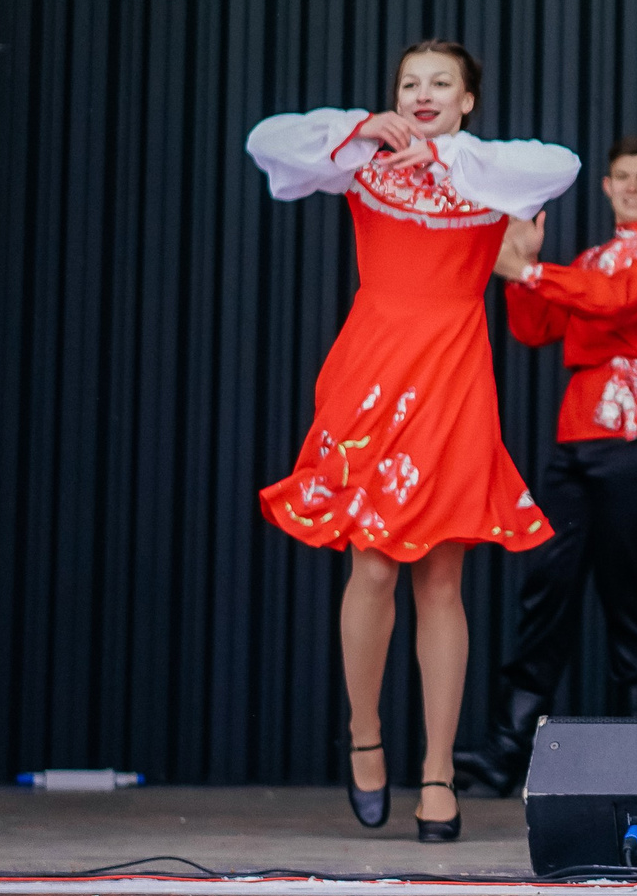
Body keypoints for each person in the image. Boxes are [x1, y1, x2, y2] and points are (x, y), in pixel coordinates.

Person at [246, 41, 580, 842]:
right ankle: (365, 737)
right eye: (409, 83)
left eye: (441, 84)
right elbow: (267, 141)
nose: (422, 95)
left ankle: (437, 770)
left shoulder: (483, 172)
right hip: (372, 365)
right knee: (370, 561)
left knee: (441, 575)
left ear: (468, 100)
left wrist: (449, 151)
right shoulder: (366, 162)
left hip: (453, 375)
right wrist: (364, 126)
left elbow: (560, 162)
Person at [452, 135, 637, 798]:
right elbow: (538, 328)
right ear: (606, 186)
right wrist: (528, 269)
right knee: (548, 583)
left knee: (630, 591)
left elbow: (618, 299)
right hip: (578, 432)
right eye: (620, 176)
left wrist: (531, 272)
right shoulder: (591, 261)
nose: (630, 187)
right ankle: (506, 748)